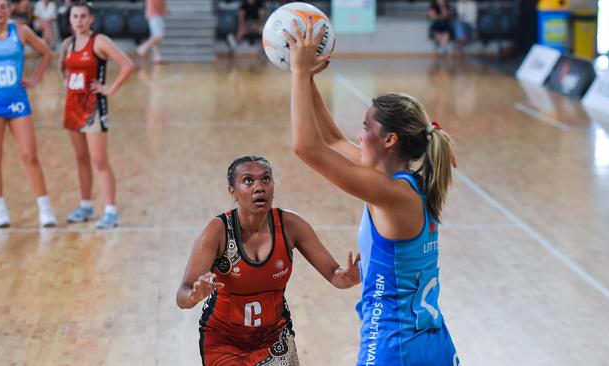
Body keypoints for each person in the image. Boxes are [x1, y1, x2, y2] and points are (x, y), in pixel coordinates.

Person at [284, 21, 459, 365]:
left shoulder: (392, 195)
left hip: (395, 348)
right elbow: (331, 140)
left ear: (390, 140)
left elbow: (306, 147)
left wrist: (297, 72)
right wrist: (308, 79)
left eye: (366, 128)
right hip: (431, 344)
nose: (359, 136)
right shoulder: (405, 185)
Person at [176, 156, 361, 366]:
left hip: (274, 337)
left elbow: (334, 275)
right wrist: (193, 296)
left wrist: (347, 278)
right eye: (248, 181)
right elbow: (182, 296)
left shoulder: (291, 225)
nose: (259, 187)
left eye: (266, 179)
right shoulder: (217, 231)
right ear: (232, 191)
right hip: (223, 340)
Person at [57, 1, 135, 229]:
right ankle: (85, 206)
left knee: (99, 161)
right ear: (69, 20)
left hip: (93, 109)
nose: (79, 21)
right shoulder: (67, 43)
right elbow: (61, 66)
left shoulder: (99, 41)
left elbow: (127, 65)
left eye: (83, 16)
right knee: (80, 159)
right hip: (72, 107)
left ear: (90, 19)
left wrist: (109, 89)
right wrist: (65, 81)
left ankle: (111, 211)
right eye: (75, 17)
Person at [0, 0, 57, 228]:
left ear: (9, 9)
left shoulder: (21, 31)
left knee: (29, 155)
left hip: (18, 102)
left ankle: (45, 208)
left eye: (2, 6)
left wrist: (34, 78)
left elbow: (46, 53)